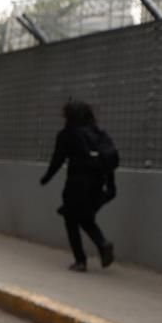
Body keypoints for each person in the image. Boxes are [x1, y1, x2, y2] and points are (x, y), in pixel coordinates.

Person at [39, 100, 116, 272]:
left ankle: (81, 260)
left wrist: (46, 178)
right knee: (85, 217)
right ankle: (102, 244)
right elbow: (108, 160)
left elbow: (57, 160)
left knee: (70, 219)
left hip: (77, 183)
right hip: (98, 183)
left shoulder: (67, 134)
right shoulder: (99, 134)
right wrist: (110, 186)